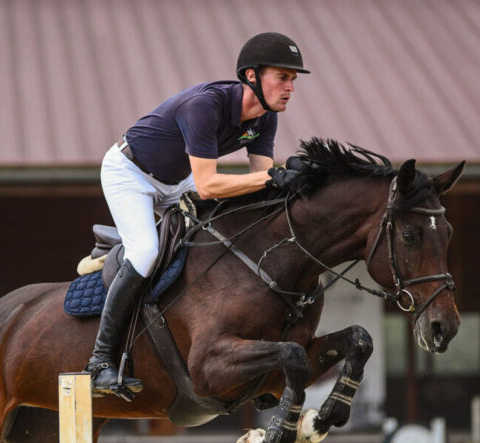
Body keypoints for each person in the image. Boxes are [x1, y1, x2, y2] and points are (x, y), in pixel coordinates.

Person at [85, 32, 311, 399]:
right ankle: (99, 362)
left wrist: (293, 179)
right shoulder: (205, 106)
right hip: (131, 173)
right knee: (145, 252)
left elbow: (262, 184)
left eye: (293, 80)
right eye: (282, 77)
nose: (290, 88)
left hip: (177, 179)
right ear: (251, 76)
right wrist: (272, 176)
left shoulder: (265, 119)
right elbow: (208, 187)